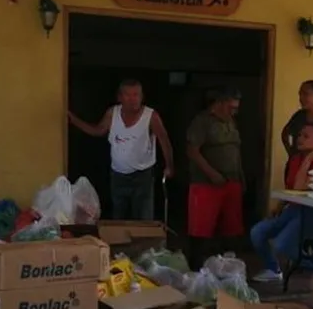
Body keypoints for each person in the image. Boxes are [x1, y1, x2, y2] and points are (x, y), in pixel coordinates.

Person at [68, 79, 174, 220]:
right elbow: (98, 130)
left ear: (142, 97)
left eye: (136, 95)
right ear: (119, 97)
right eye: (127, 95)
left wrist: (170, 166)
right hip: (118, 175)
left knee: (143, 218)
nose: (132, 99)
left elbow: (164, 141)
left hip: (142, 176)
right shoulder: (113, 113)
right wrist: (74, 120)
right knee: (119, 217)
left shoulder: (151, 116)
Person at [251, 122, 313, 282]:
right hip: (292, 209)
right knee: (257, 232)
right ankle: (273, 269)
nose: (300, 139)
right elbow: (290, 189)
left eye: (306, 136)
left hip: (310, 212)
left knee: (281, 245)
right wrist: (278, 206)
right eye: (299, 135)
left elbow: (299, 186)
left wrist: (309, 159)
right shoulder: (295, 160)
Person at [186, 86, 244, 267]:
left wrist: (241, 179)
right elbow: (192, 151)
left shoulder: (231, 122)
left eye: (236, 108)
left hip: (232, 181)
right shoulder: (202, 121)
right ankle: (196, 268)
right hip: (206, 183)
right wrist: (212, 174)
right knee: (201, 228)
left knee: (231, 228)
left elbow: (235, 151)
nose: (234, 112)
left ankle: (226, 268)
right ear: (219, 103)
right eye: (230, 107)